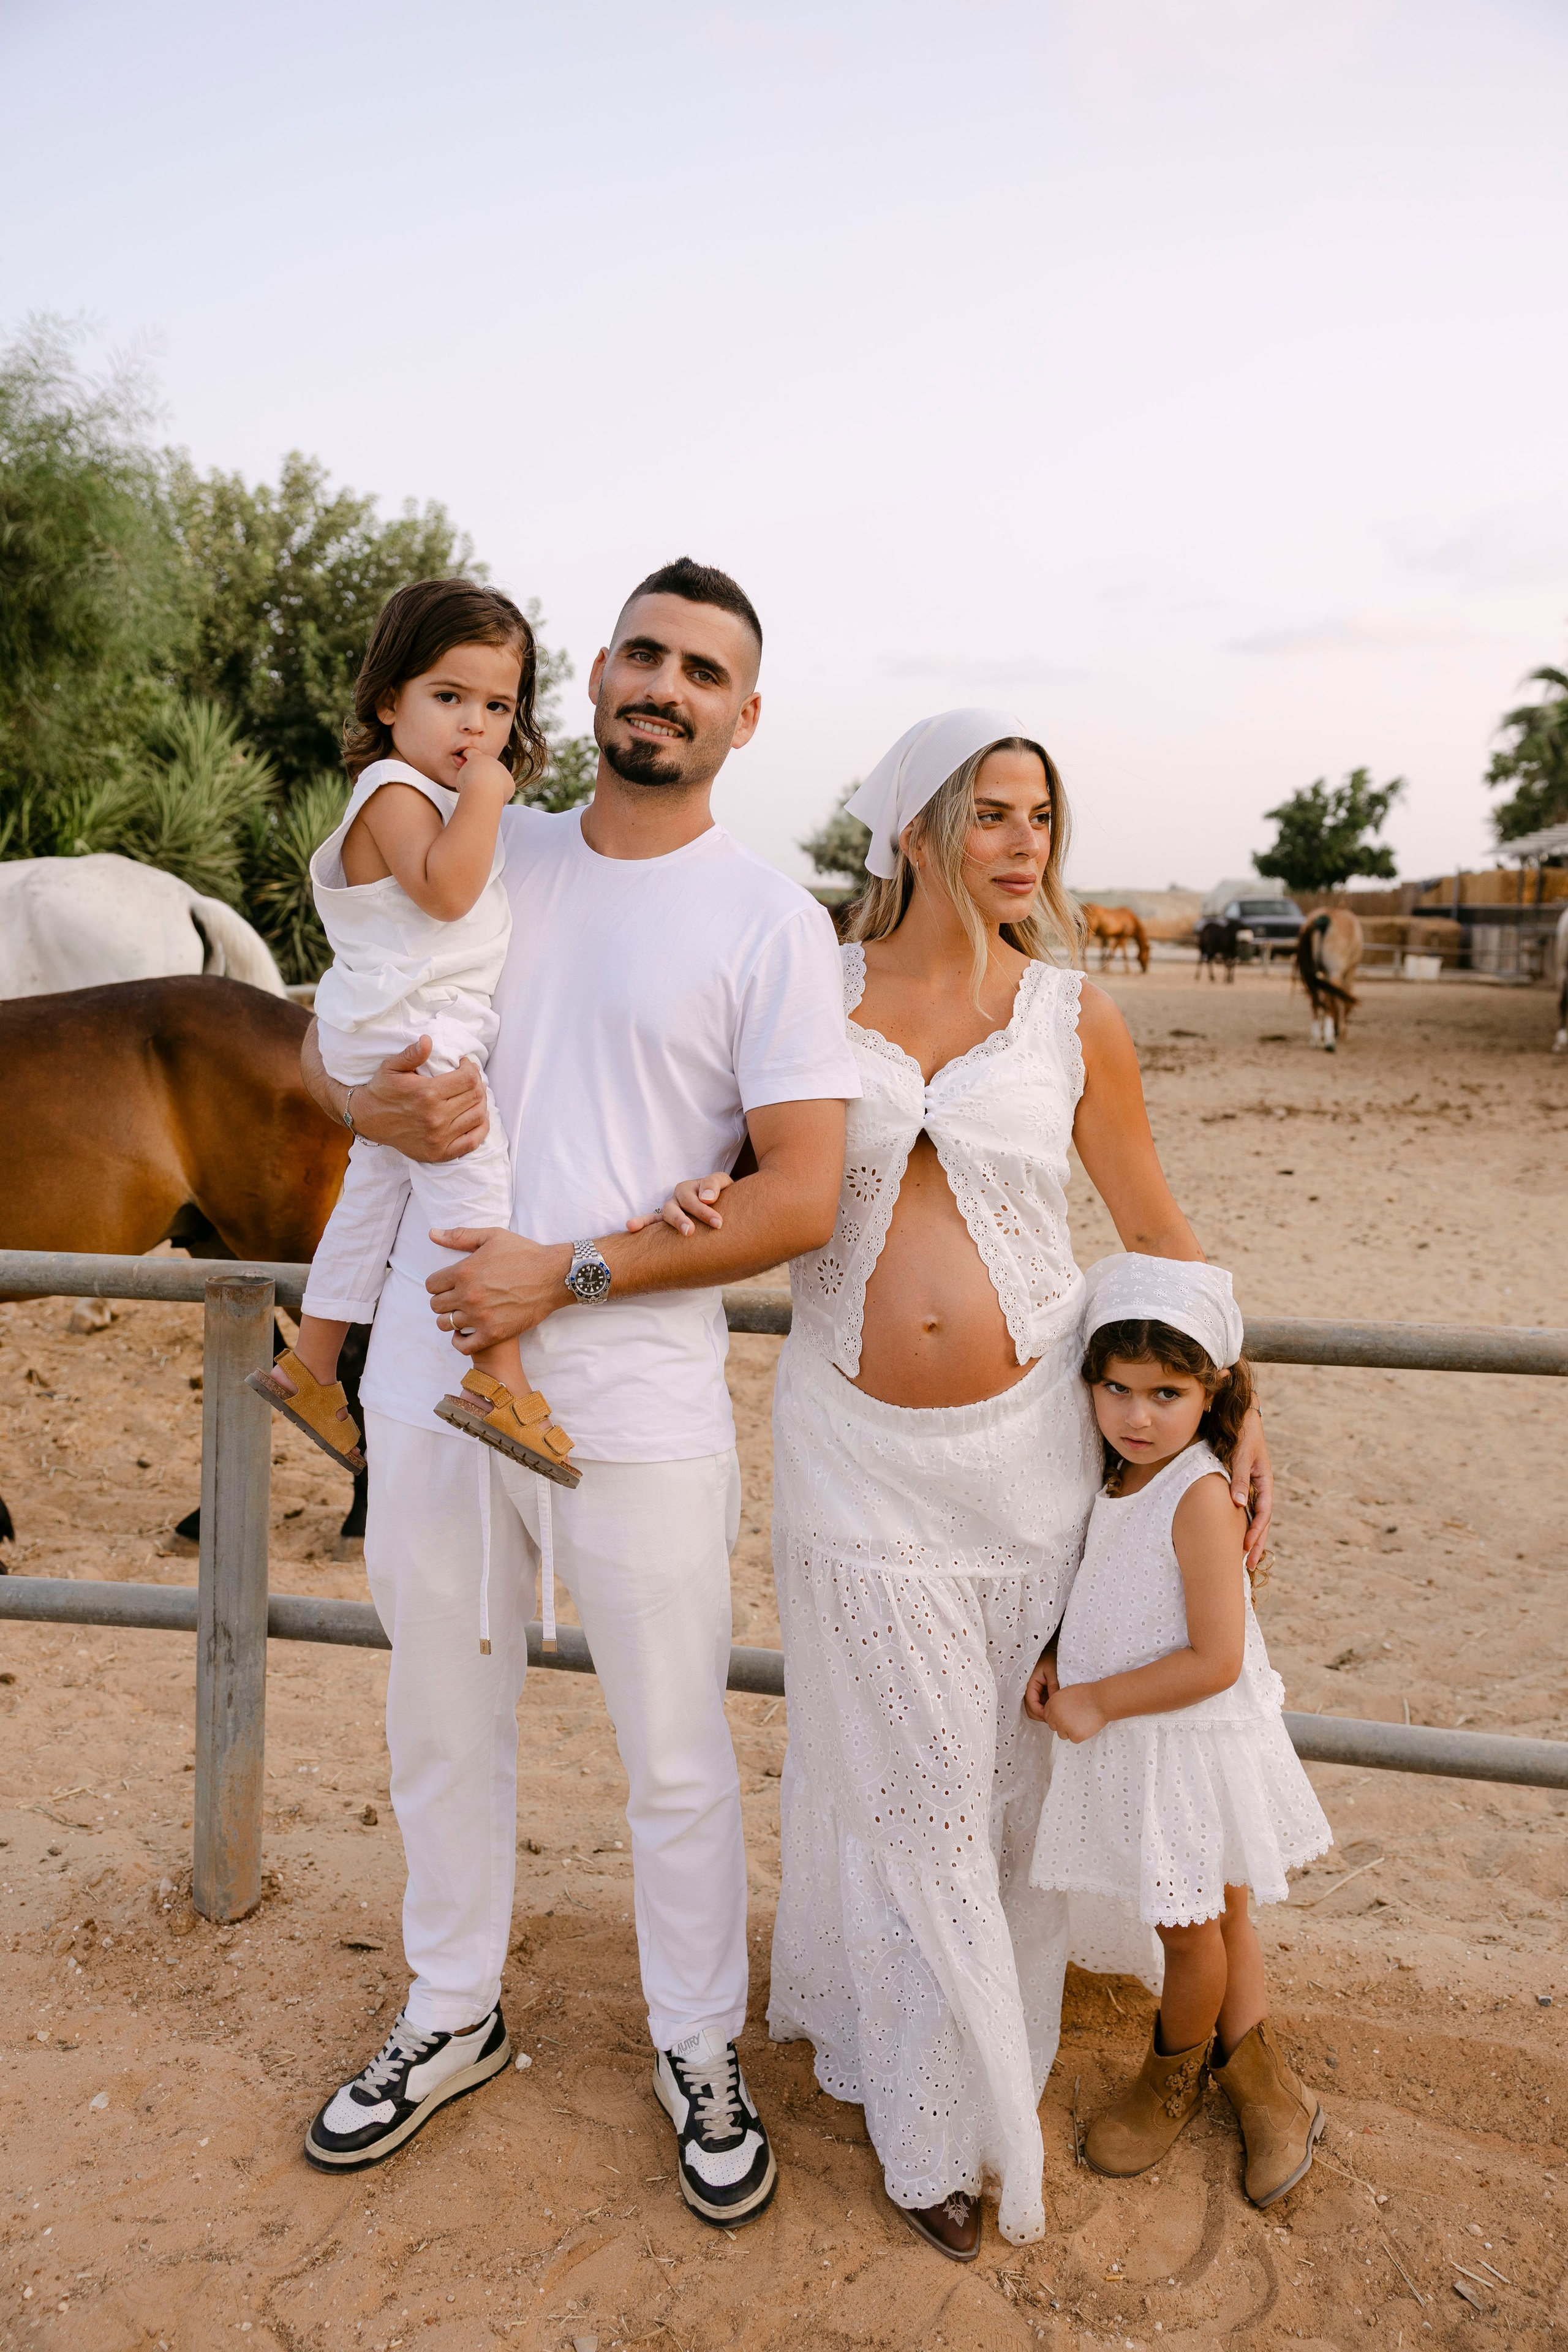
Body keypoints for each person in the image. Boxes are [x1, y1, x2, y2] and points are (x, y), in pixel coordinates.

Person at [657, 709, 1272, 2256]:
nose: (1022, 845)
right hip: (851, 1453)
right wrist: (689, 1191)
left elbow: (1149, 1224)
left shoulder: (1072, 1016)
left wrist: (1237, 1406)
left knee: (1002, 1785)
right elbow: (740, 1173)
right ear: (917, 828)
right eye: (991, 814)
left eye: (1041, 819)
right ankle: (936, 2131)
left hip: (1028, 1462)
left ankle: (994, 2047)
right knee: (912, 1787)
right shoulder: (810, 992)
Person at [294, 559, 859, 2232]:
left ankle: (696, 2045)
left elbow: (799, 1196)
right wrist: (364, 1107)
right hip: (424, 1357)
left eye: (705, 671)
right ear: (597, 673)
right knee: (438, 1714)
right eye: (644, 653)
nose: (665, 685)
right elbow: (340, 1051)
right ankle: (450, 2009)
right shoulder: (476, 843)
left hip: (629, 1391)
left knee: (673, 1744)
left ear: (743, 717)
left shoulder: (768, 920)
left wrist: (575, 1268)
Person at [247, 579, 577, 1500]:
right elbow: (447, 893)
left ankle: (312, 1363)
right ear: (389, 701)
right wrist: (488, 791)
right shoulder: (394, 792)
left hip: (392, 1030)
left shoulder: (426, 795)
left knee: (372, 1197)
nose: (475, 727)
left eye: (498, 708)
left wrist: (473, 793)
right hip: (414, 1034)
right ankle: (500, 1379)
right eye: (448, 698)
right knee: (474, 1179)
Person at [1027, 1254, 1330, 2207]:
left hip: (1182, 1748)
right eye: (1115, 1388)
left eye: (1166, 1392)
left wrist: (1099, 1700)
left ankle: (1171, 2078)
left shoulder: (1197, 1494)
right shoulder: (1119, 1477)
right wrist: (1056, 1655)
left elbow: (1216, 1659)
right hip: (1155, 1745)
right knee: (1222, 1916)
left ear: (1213, 1392)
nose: (1137, 1413)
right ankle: (1263, 2083)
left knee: (1193, 1935)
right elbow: (1111, 1592)